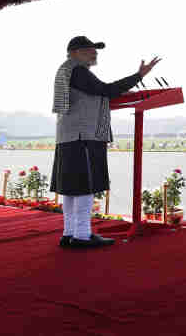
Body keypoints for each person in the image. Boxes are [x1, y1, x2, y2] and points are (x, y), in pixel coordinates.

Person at [51, 36, 160, 248]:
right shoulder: (78, 71)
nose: (94, 53)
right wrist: (139, 75)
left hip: (69, 136)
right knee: (84, 187)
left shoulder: (68, 70)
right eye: (89, 49)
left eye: (95, 50)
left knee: (72, 188)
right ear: (74, 52)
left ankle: (69, 233)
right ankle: (82, 236)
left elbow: (100, 92)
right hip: (83, 137)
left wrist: (113, 93)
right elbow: (106, 90)